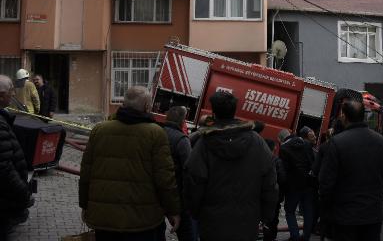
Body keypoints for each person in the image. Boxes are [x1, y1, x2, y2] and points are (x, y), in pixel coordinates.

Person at [79, 86, 180, 241]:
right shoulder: (156, 133)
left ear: (123, 104)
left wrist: (85, 205)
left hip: (105, 220)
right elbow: (165, 179)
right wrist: (173, 210)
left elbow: (86, 173)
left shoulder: (99, 130)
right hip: (144, 222)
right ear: (147, 107)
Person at [184, 91, 278, 241]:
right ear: (235, 110)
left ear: (214, 113)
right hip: (247, 222)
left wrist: (194, 211)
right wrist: (266, 214)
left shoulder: (204, 143)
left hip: (212, 223)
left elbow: (194, 181)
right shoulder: (257, 141)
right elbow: (270, 183)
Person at [319, 99, 383, 241]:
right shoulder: (381, 142)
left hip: (344, 216)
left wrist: (327, 210)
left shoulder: (337, 142)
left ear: (344, 117)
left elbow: (326, 183)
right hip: (373, 214)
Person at [0, 75, 32, 241]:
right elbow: (3, 167)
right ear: (1, 95)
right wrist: (23, 191)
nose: (13, 94)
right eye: (11, 91)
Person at [163, 106, 196, 241]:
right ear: (183, 121)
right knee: (187, 234)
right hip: (177, 196)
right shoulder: (182, 140)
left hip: (157, 193)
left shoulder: (158, 133)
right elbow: (189, 170)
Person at [279, 128, 315, 241]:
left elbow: (283, 170)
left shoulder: (284, 148)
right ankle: (306, 236)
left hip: (293, 186)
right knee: (308, 211)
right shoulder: (307, 144)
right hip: (308, 183)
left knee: (290, 211)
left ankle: (295, 236)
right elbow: (312, 163)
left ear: (280, 140)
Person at [263, 138, 286, 241]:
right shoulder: (277, 161)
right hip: (274, 196)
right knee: (272, 219)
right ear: (274, 148)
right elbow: (282, 178)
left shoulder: (258, 159)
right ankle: (270, 237)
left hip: (259, 195)